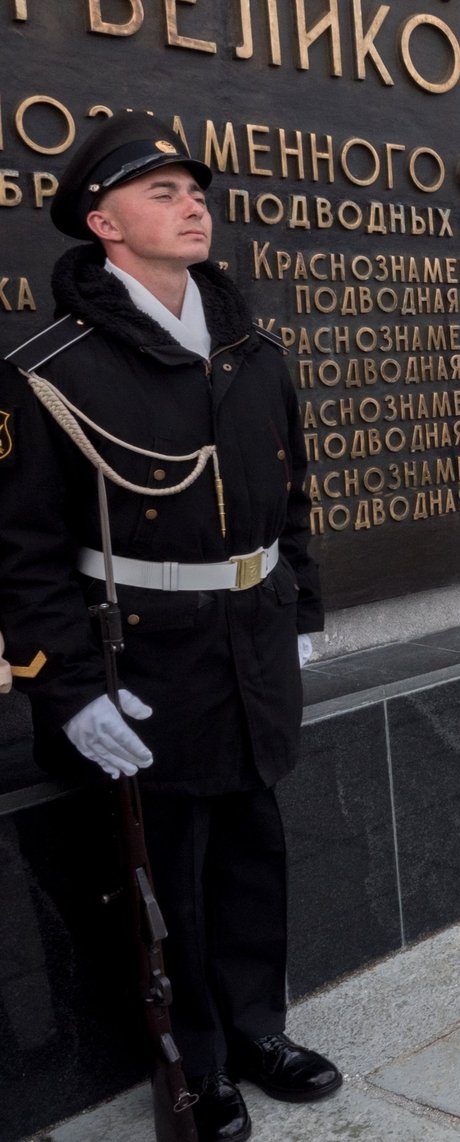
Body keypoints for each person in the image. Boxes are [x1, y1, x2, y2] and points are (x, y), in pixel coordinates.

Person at [0, 114, 339, 1142]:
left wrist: (303, 612)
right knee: (171, 879)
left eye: (195, 189)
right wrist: (66, 684)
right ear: (102, 222)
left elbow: (293, 503)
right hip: (141, 657)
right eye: (161, 192)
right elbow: (21, 554)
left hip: (251, 642)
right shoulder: (48, 370)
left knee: (253, 850)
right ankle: (197, 1062)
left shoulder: (252, 352)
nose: (192, 203)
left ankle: (255, 1028)